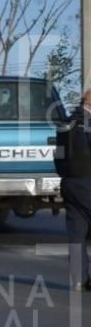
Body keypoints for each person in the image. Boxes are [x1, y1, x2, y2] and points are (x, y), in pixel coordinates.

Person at [58, 89, 91, 291]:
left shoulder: (65, 123)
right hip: (88, 183)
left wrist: (64, 174)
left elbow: (58, 155)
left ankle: (78, 279)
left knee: (76, 233)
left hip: (69, 183)